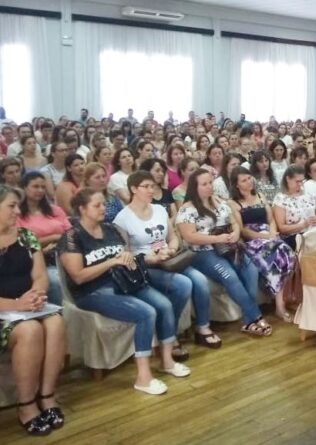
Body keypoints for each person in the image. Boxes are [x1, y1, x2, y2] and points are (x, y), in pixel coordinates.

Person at [60, 188, 191, 396]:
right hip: (92, 291)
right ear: (82, 209)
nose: (103, 208)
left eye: (103, 203)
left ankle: (167, 360)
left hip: (122, 281)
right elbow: (78, 276)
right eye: (97, 205)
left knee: (164, 305)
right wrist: (111, 262)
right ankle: (143, 376)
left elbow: (125, 254)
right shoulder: (72, 237)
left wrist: (132, 257)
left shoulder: (110, 229)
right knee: (146, 313)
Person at [114, 171, 218, 354]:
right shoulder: (122, 218)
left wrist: (170, 248)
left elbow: (172, 237)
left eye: (152, 186)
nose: (150, 190)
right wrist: (150, 257)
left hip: (169, 258)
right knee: (183, 284)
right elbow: (126, 254)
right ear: (133, 189)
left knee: (200, 280)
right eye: (145, 187)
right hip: (145, 265)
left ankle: (202, 327)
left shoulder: (160, 210)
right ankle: (169, 335)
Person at [0, 185, 66, 436]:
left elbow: (40, 276)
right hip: (7, 310)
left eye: (18, 205)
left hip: (26, 306)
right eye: (11, 206)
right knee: (29, 331)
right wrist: (16, 305)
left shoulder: (26, 236)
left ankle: (46, 395)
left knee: (55, 322)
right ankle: (26, 405)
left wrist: (36, 296)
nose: (18, 210)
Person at [176, 169, 271, 337]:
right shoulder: (187, 209)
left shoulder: (219, 201)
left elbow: (233, 222)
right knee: (230, 276)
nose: (209, 186)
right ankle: (255, 316)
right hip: (203, 252)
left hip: (228, 246)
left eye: (210, 182)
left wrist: (235, 233)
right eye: (204, 184)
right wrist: (217, 238)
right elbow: (189, 237)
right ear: (194, 187)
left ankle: (248, 321)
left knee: (250, 269)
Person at [228, 167, 297, 323]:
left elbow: (271, 220)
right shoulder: (233, 203)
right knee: (275, 254)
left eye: (249, 178)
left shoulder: (260, 196)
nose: (249, 181)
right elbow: (243, 231)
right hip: (252, 241)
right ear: (237, 185)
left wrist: (272, 233)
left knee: (286, 251)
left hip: (269, 235)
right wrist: (265, 236)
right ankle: (280, 306)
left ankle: (284, 300)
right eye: (244, 180)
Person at [17, 172, 71, 305]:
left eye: (43, 187)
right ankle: (59, 313)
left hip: (65, 253)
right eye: (35, 186)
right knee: (55, 280)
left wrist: (58, 240)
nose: (40, 190)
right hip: (38, 260)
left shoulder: (55, 210)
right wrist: (53, 237)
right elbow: (21, 244)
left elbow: (70, 233)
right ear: (24, 188)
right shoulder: (18, 215)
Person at [272, 165, 316, 250]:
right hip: (295, 237)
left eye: (302, 181)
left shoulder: (306, 195)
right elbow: (282, 228)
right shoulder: (280, 199)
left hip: (313, 231)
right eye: (297, 181)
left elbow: (315, 214)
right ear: (288, 179)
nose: (300, 184)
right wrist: (303, 225)